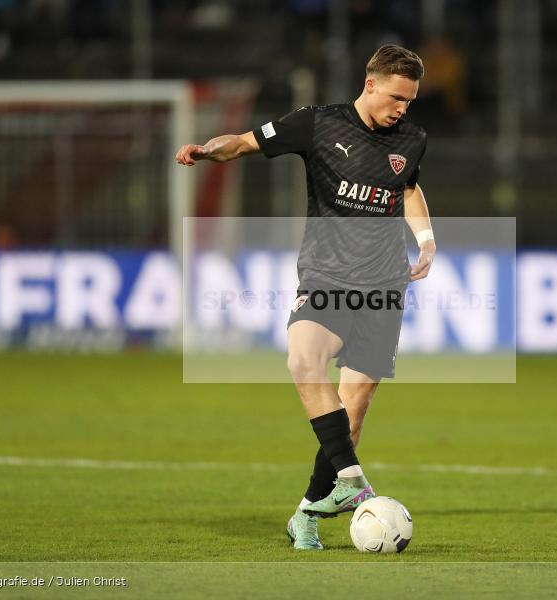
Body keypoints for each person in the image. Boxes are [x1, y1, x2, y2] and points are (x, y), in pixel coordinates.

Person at [175, 44, 436, 550]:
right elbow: (244, 142)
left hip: (384, 286)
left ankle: (306, 515)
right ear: (371, 85)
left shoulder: (412, 139)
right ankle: (354, 483)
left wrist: (427, 241)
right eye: (398, 97)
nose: (403, 108)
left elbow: (408, 189)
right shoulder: (317, 124)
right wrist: (210, 150)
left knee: (352, 411)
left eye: (410, 101)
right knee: (302, 360)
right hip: (326, 278)